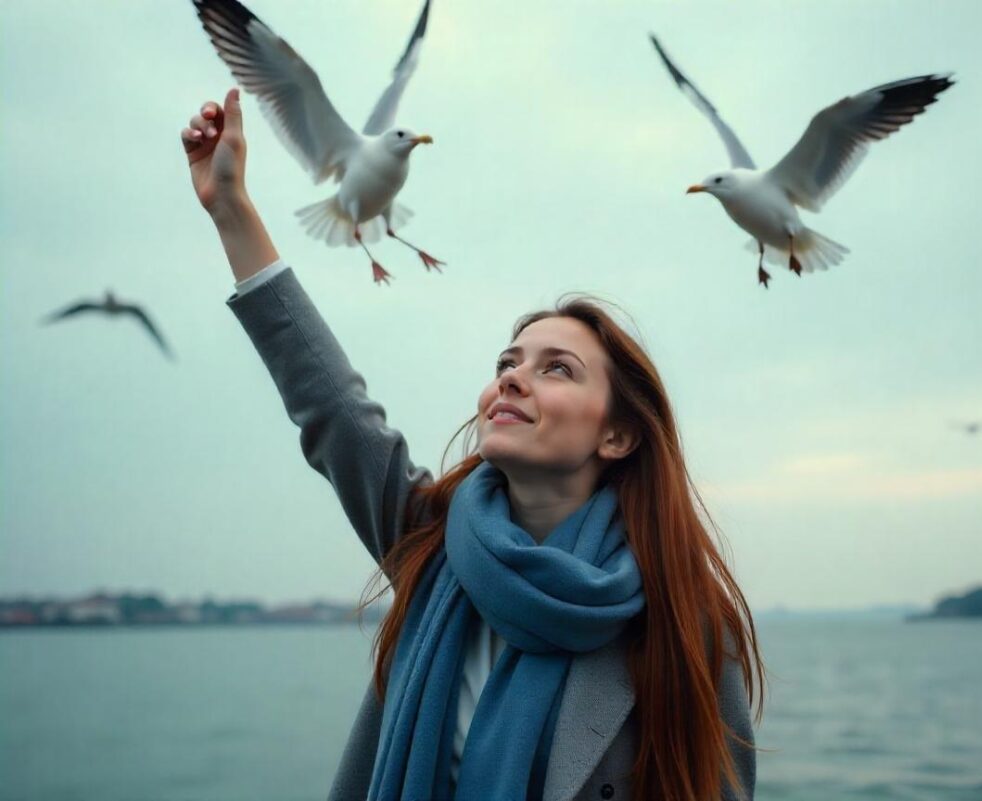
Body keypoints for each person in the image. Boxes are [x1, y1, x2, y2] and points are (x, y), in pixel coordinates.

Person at [181, 87, 765, 801]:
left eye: (557, 368)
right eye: (507, 363)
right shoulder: (432, 540)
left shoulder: (679, 614)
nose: (513, 377)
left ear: (617, 434)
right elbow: (330, 404)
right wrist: (232, 209)